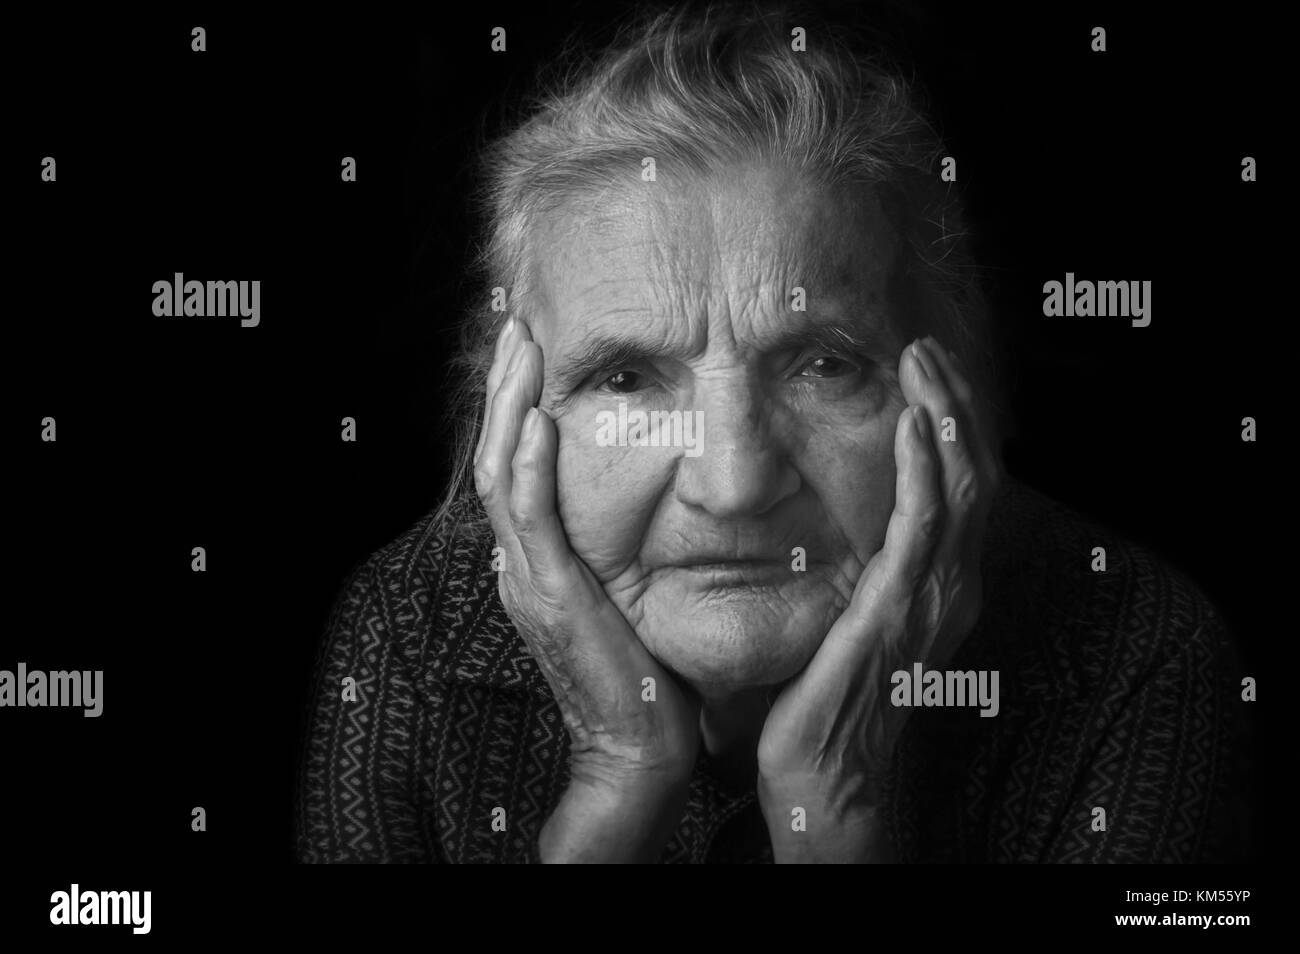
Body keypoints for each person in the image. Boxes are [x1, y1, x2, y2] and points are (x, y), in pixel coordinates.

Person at [295, 4, 1248, 863]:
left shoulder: (1134, 654)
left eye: (824, 365)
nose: (735, 483)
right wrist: (617, 782)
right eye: (625, 379)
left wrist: (834, 803)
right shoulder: (409, 638)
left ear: (949, 395)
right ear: (510, 422)